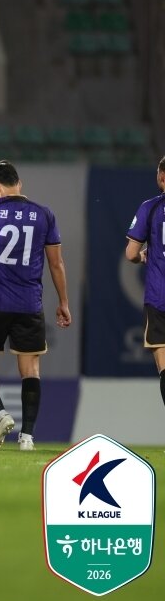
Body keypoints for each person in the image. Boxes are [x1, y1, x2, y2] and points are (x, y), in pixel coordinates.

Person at [0, 160, 71, 451]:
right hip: (29, 303)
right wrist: (63, 302)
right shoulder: (44, 214)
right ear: (18, 184)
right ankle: (28, 437)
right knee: (31, 368)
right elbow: (56, 263)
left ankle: (0, 413)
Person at [125, 157, 165, 419]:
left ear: (161, 177)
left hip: (160, 298)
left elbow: (130, 254)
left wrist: (144, 256)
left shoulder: (150, 208)